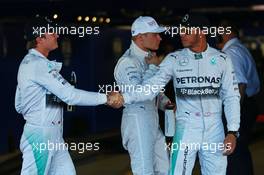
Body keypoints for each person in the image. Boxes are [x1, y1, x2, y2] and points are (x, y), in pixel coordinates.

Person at [116, 14, 241, 175]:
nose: (182, 33)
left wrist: (232, 132)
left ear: (201, 32)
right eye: (181, 30)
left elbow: (232, 97)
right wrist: (124, 97)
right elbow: (150, 88)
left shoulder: (223, 59)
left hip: (214, 130)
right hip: (186, 130)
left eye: (187, 30)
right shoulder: (173, 59)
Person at [15, 16, 121, 175]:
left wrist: (46, 106)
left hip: (53, 136)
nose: (57, 35)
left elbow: (19, 105)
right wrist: (106, 98)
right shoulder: (37, 65)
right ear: (39, 38)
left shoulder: (32, 63)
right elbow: (70, 96)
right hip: (41, 137)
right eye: (52, 32)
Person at [114, 16, 172, 175]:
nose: (159, 38)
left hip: (152, 121)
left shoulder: (149, 58)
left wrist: (166, 103)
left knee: (166, 169)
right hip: (137, 121)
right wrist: (154, 68)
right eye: (155, 34)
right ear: (140, 37)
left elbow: (153, 93)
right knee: (144, 172)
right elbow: (139, 93)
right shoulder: (127, 62)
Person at [216, 20, 260, 175]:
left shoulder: (231, 53)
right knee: (239, 151)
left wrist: (233, 119)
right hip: (247, 104)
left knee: (234, 154)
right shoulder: (238, 48)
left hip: (241, 106)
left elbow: (239, 85)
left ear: (226, 33)